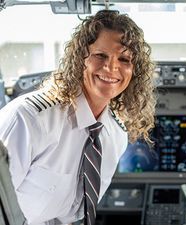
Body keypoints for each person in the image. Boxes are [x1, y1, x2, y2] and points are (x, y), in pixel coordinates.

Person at [0, 10, 156, 225]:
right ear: (80, 58)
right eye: (100, 55)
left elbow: (73, 215)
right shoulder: (28, 119)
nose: (111, 67)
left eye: (124, 59)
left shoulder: (115, 134)